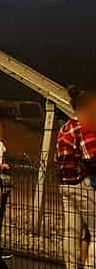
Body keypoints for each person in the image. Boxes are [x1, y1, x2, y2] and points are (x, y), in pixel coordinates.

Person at [56, 87, 96, 269]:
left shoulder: (66, 127)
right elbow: (90, 156)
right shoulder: (84, 127)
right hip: (82, 184)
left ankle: (70, 266)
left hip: (65, 184)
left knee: (71, 231)